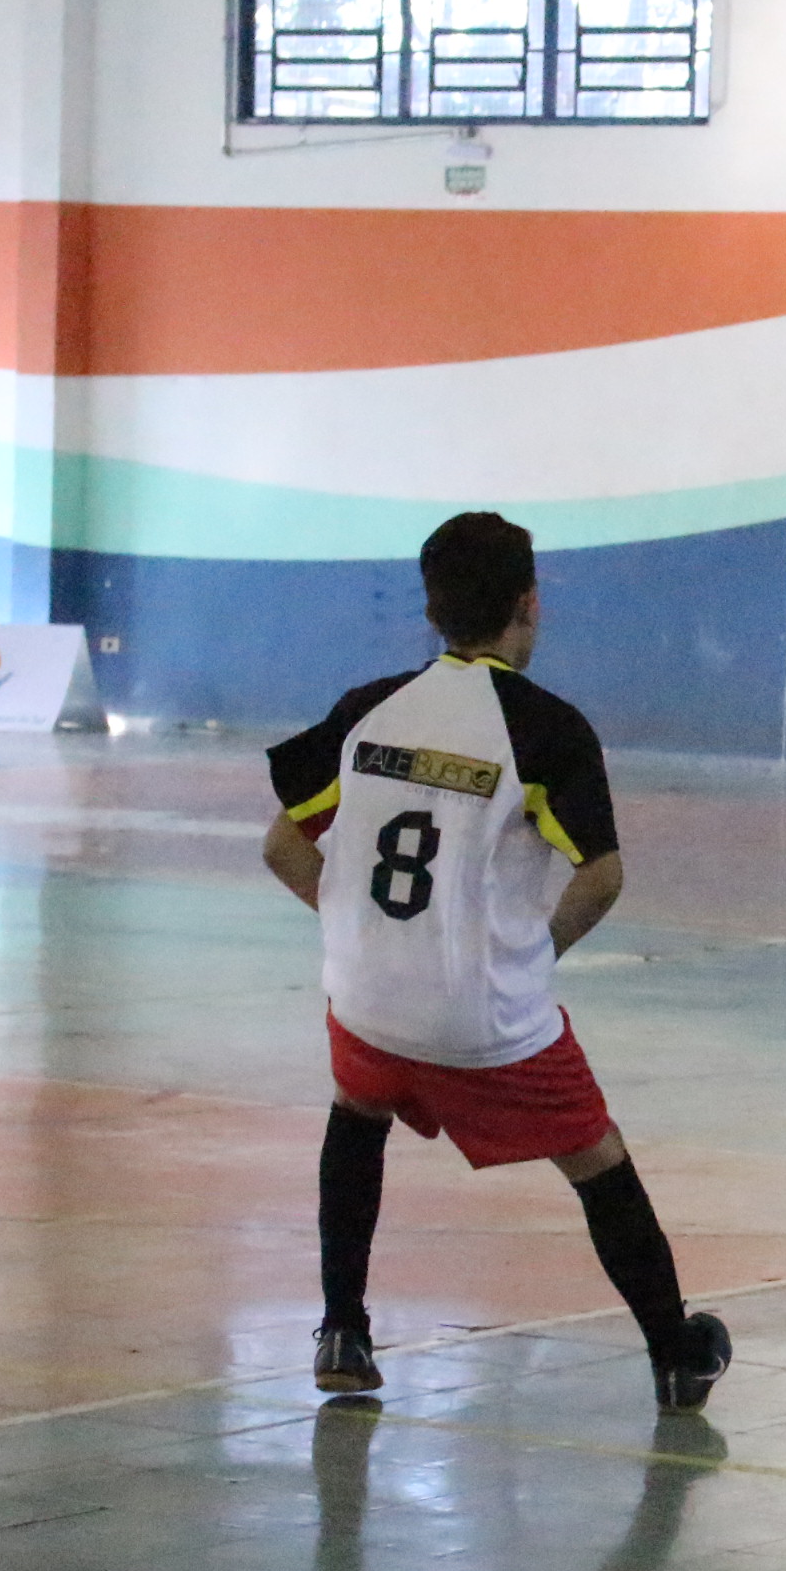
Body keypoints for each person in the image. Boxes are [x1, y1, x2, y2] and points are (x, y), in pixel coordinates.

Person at [260, 512, 730, 1411]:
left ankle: (343, 1328)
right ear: (528, 604)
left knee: (359, 1106)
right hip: (482, 1019)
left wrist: (360, 923)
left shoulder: (369, 709)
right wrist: (533, 955)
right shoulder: (548, 730)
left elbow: (283, 847)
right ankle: (677, 1353)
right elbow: (604, 877)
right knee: (597, 1157)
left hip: (364, 1000)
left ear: (432, 608)